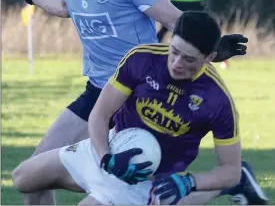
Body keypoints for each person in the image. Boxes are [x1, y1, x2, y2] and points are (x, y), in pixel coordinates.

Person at [15, 0, 248, 205]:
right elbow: (63, 4)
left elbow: (173, 19)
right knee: (33, 176)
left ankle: (221, 184)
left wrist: (215, 47)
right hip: (98, 90)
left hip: (141, 93)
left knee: (142, 187)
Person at [12, 11, 268, 205]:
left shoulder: (217, 100)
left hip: (144, 180)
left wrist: (189, 182)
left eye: (189, 59)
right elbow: (100, 114)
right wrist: (105, 157)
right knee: (24, 178)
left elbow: (230, 170)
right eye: (174, 51)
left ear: (210, 59)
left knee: (168, 193)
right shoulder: (142, 58)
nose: (177, 63)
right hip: (109, 150)